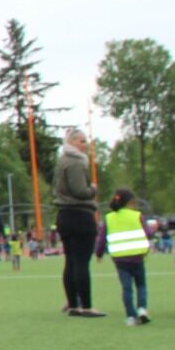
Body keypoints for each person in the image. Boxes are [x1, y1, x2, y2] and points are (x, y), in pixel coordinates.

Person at [54, 129, 105, 317]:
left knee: (70, 262)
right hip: (79, 215)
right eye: (83, 141)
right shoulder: (75, 162)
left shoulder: (62, 162)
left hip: (64, 215)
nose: (86, 145)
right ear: (73, 142)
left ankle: (73, 304)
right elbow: (79, 191)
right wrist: (92, 190)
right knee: (81, 262)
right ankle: (86, 305)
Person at [97, 188, 153, 326]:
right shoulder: (137, 215)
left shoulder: (109, 218)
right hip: (137, 257)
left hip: (120, 259)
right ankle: (142, 309)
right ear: (130, 202)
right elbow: (149, 234)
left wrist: (99, 253)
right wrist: (153, 228)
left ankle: (130, 317)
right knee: (141, 285)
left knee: (126, 288)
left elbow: (102, 239)